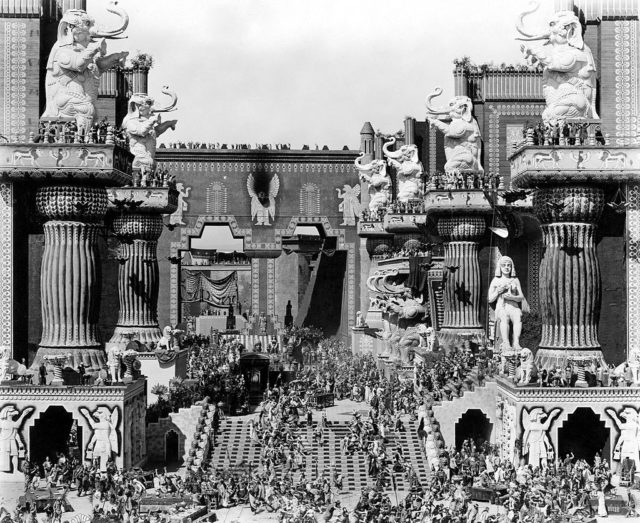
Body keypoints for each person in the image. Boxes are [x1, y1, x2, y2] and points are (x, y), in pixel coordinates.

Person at [488, 256, 528, 352]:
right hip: (502, 307)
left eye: (508, 265)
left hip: (513, 307)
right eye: (504, 265)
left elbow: (521, 297)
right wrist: (497, 292)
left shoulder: (515, 280)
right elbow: (489, 299)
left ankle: (516, 342)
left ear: (512, 267)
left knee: (518, 316)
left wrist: (512, 297)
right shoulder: (496, 280)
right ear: (500, 267)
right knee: (504, 317)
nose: (506, 267)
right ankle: (506, 343)